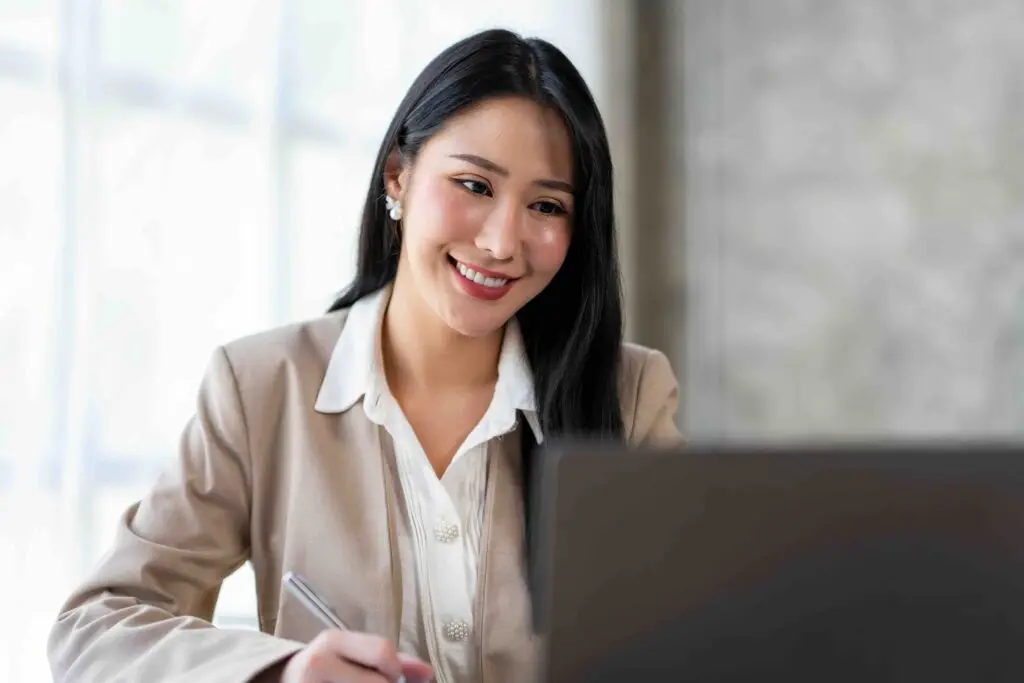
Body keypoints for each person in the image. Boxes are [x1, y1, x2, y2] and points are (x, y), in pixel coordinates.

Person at [47, 28, 681, 683]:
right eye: (474, 185)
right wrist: (284, 671)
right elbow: (97, 626)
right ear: (398, 177)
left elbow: (696, 632)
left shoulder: (630, 395)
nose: (500, 241)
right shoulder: (262, 388)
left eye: (546, 205)